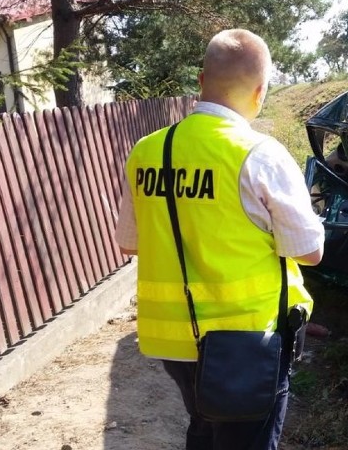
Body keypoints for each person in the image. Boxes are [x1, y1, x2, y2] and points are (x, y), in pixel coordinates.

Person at [114, 28, 325, 450]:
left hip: (172, 342)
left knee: (205, 425)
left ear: (200, 79)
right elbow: (309, 251)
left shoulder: (148, 151)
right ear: (260, 90)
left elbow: (130, 243)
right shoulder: (258, 154)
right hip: (246, 341)